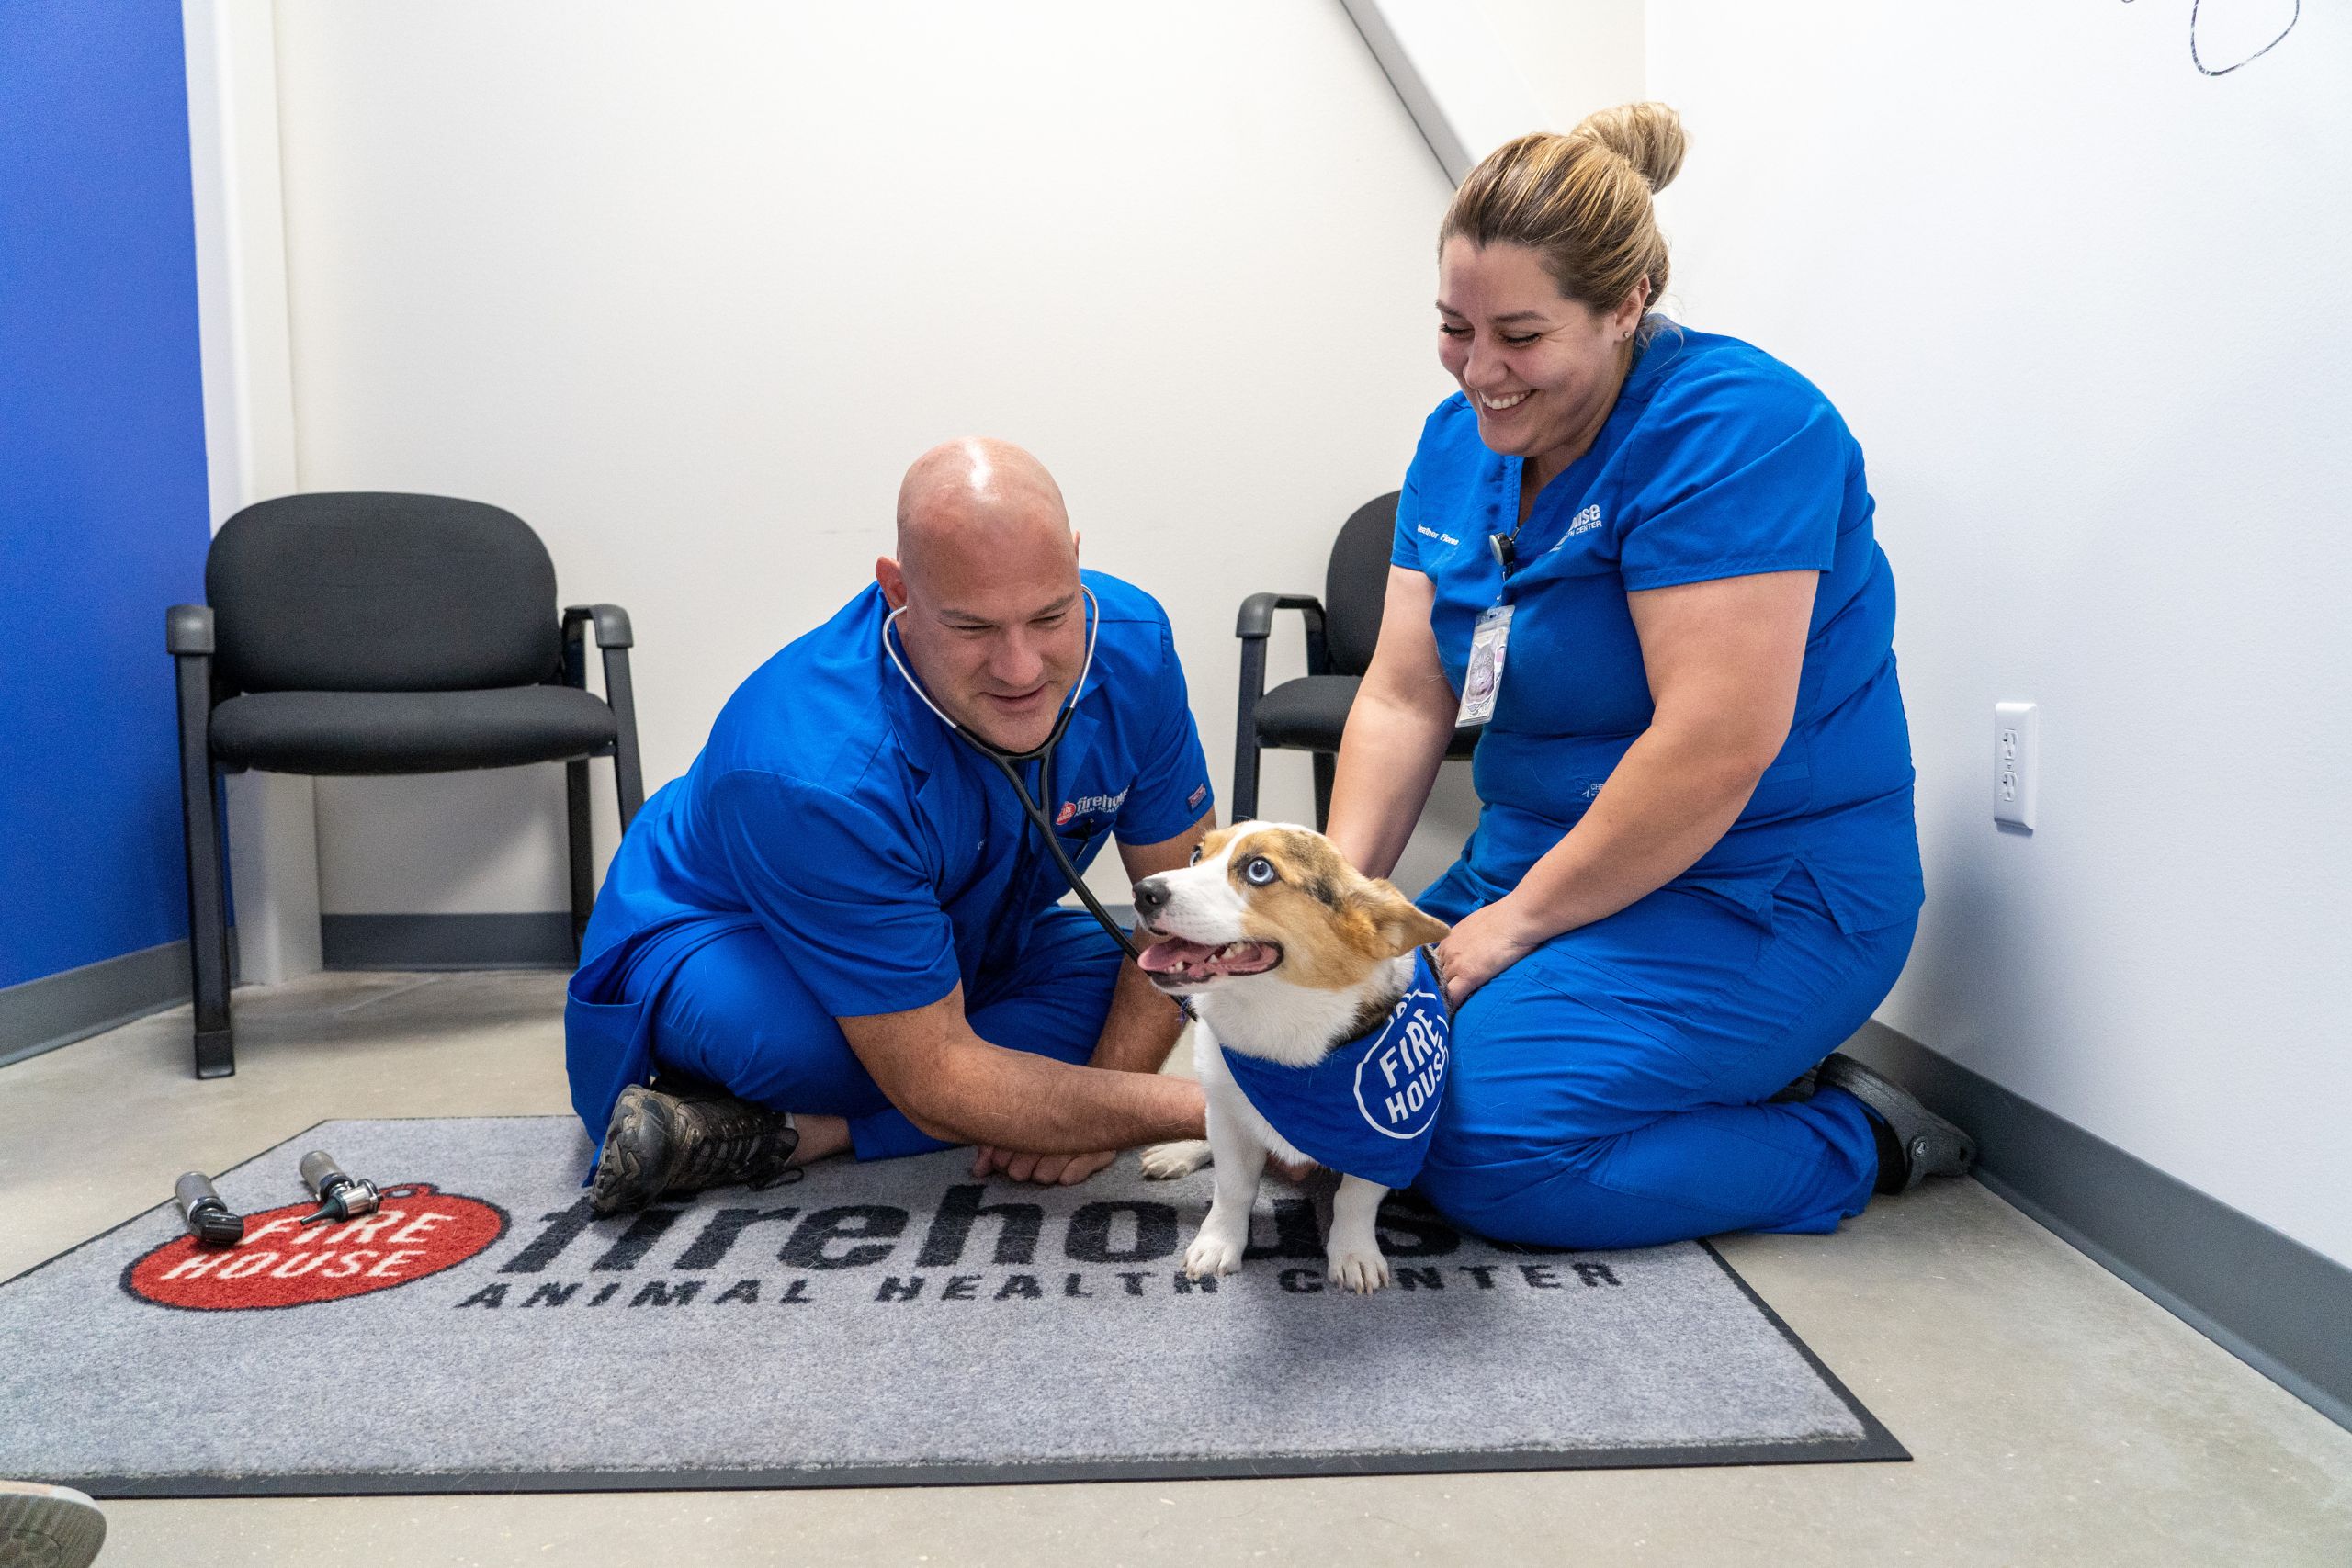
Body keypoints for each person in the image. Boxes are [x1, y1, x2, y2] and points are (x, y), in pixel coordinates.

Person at [1324, 104, 1974, 1252]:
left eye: (1519, 336)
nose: (1480, 372)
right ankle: (1667, 1073)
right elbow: (1405, 692)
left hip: (1758, 888)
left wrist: (1505, 931)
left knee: (1485, 1148)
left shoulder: (1742, 431)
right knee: (1344, 1105)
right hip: (1543, 864)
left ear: (1625, 307)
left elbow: (1712, 746)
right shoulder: (1456, 438)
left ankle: (1848, 1138)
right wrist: (1329, 911)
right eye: (1452, 328)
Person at [566, 438, 1213, 1214]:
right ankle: (829, 1103)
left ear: (1075, 563)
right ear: (897, 590)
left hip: (949, 936)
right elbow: (937, 1073)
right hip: (718, 934)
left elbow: (1186, 912)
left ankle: (798, 1133)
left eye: (1049, 615)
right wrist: (1221, 1114)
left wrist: (1101, 1112)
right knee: (806, 1046)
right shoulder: (810, 764)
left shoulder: (1136, 645)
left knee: (1134, 976)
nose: (1021, 667)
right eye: (973, 628)